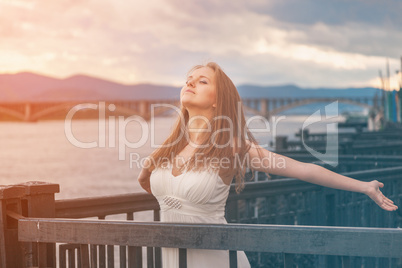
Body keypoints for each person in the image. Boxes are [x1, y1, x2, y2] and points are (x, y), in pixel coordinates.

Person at [137, 62, 398, 268]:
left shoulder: (232, 146)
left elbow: (304, 169)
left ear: (218, 99)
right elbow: (151, 185)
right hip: (170, 258)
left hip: (213, 259)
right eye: (188, 80)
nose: (191, 83)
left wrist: (364, 187)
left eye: (202, 80)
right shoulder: (169, 148)